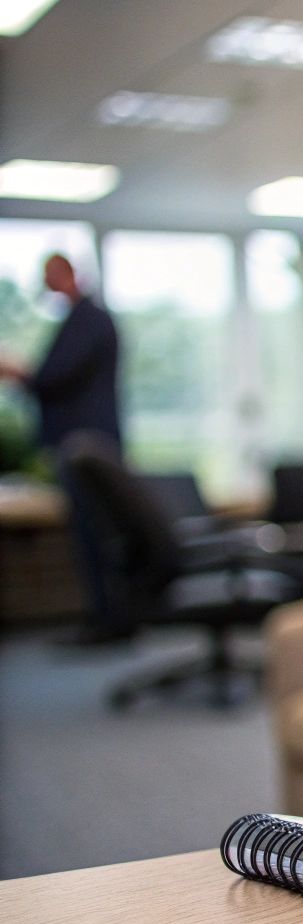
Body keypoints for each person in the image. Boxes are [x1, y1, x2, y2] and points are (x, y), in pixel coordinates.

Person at [0, 254, 129, 643]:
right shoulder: (83, 318)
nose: (46, 285)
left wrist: (20, 374)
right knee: (92, 532)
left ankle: (111, 621)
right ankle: (107, 618)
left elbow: (56, 377)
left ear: (66, 274)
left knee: (96, 531)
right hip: (86, 443)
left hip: (86, 445)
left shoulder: (89, 319)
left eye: (48, 277)